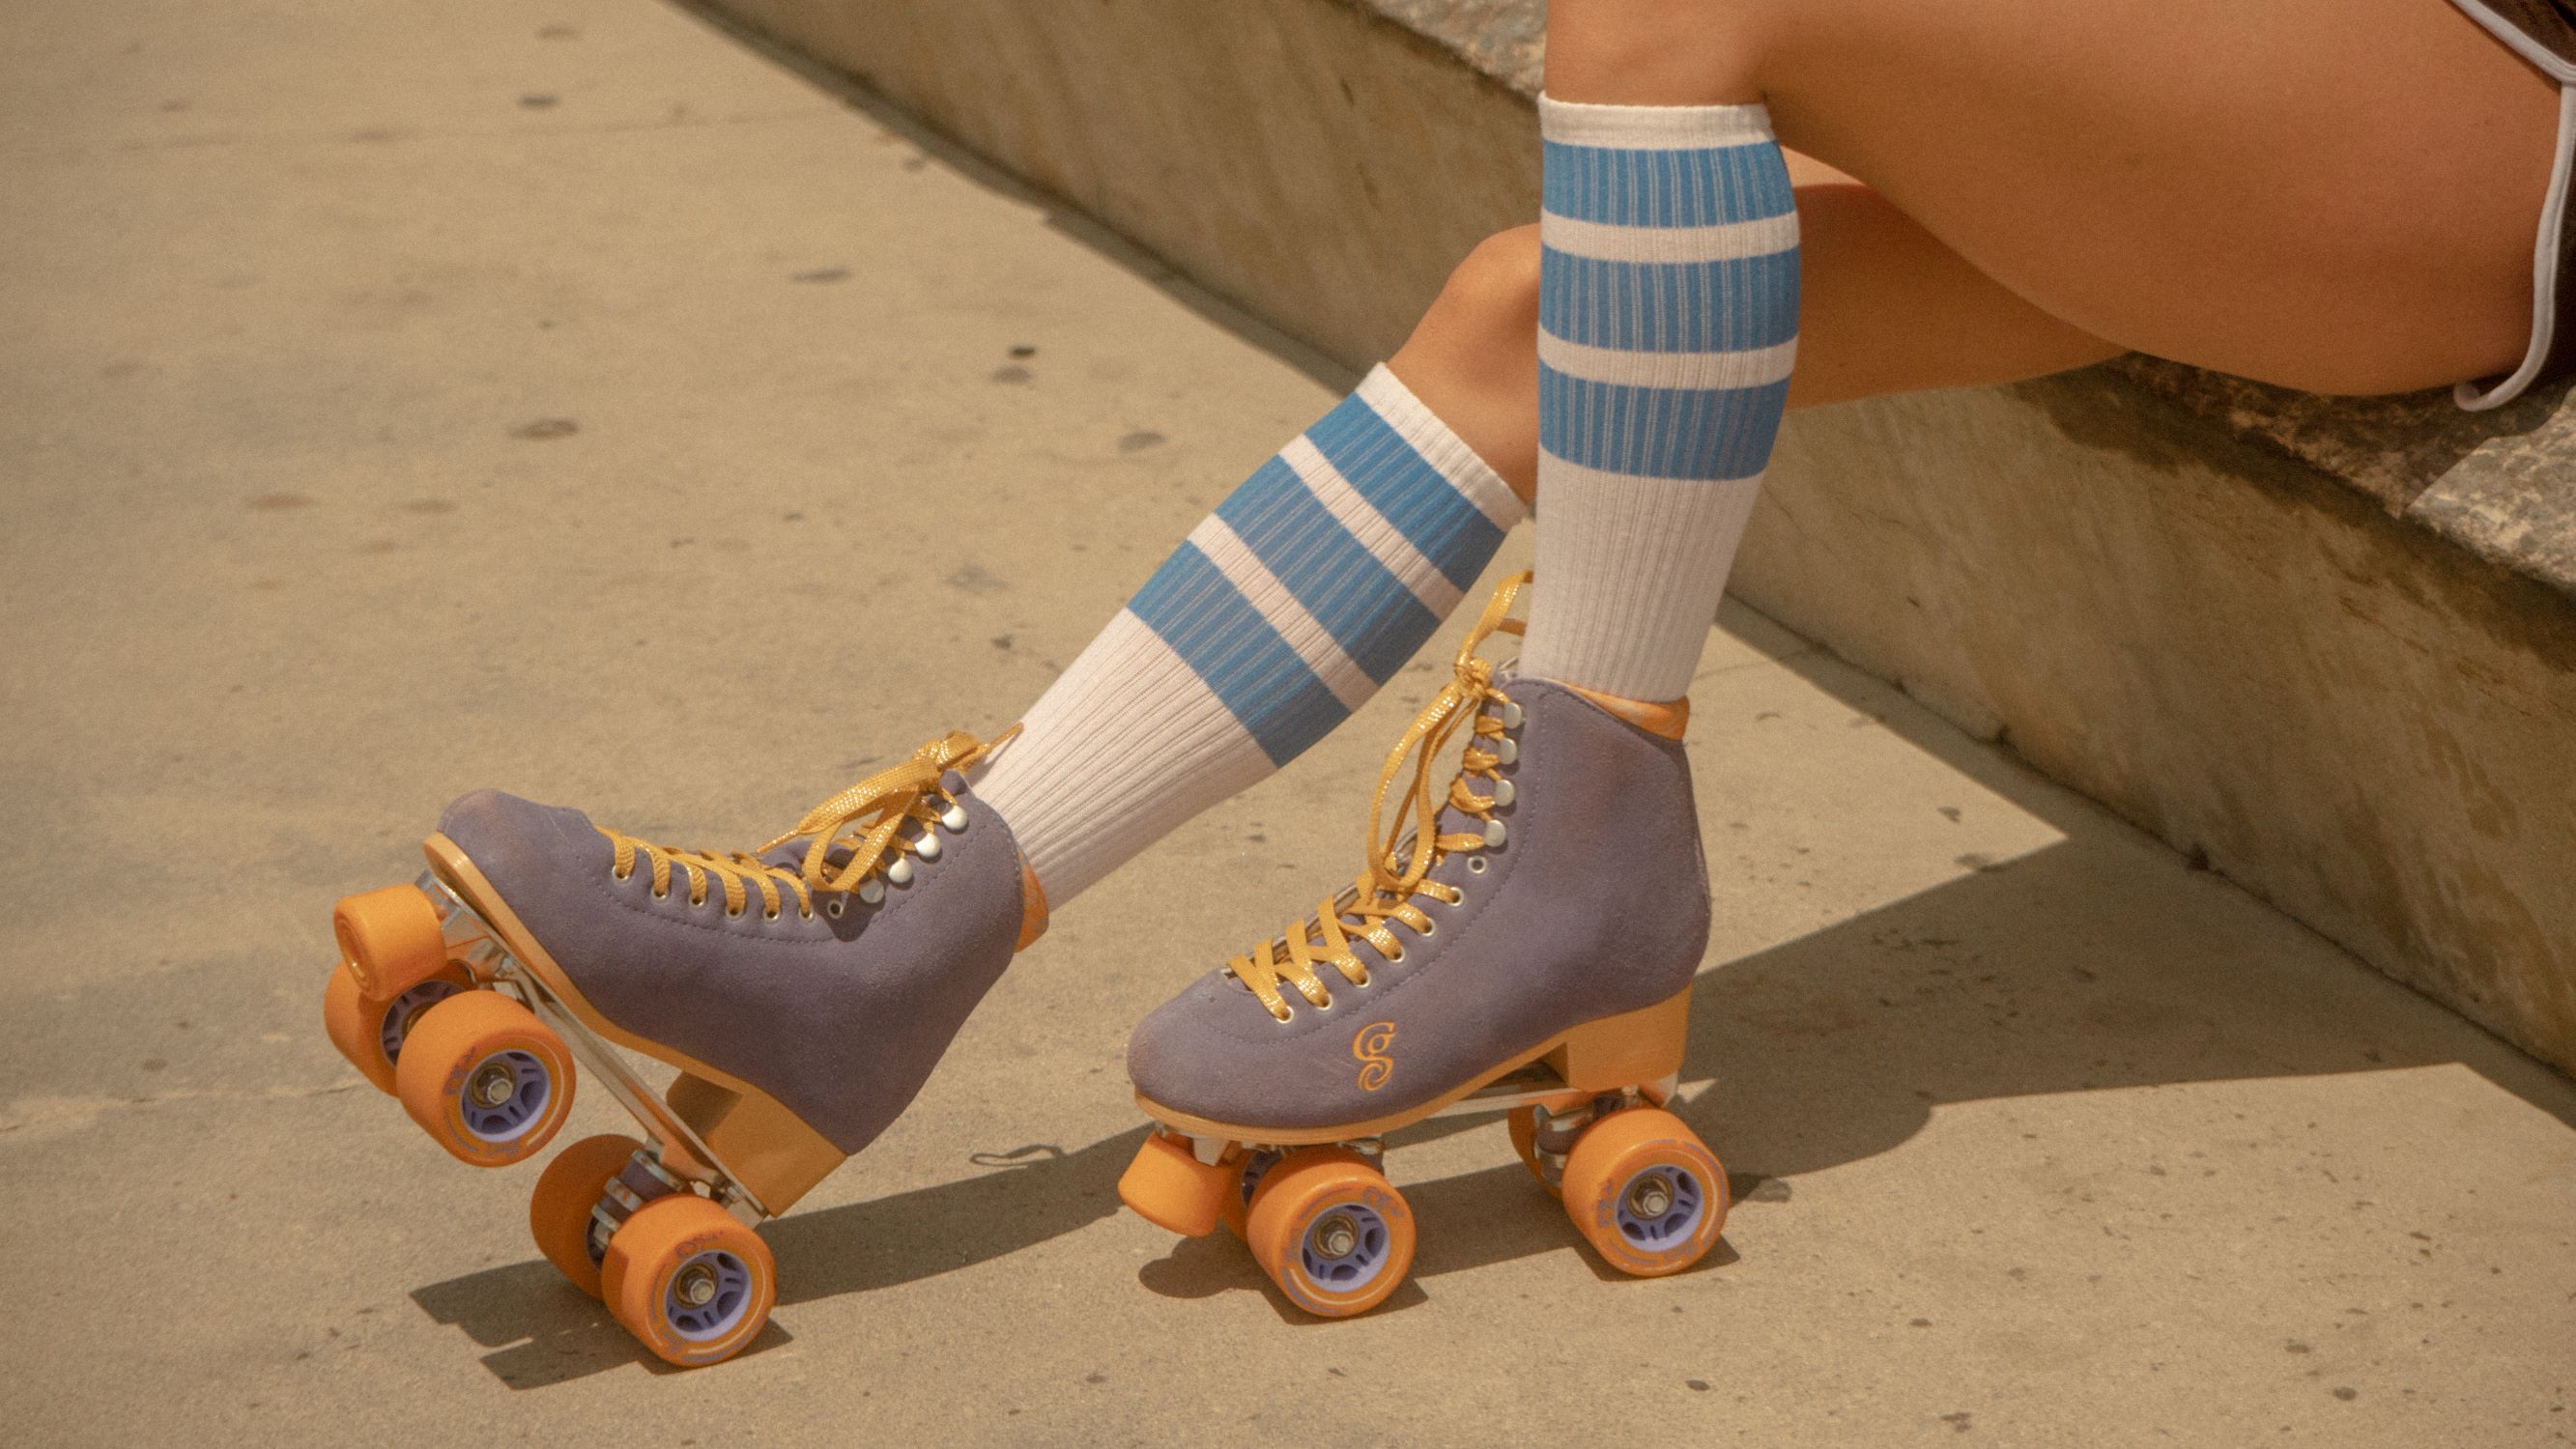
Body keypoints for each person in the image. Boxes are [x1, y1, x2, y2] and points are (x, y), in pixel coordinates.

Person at [337, 0, 2567, 1349]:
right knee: (1532, 311)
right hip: (2293, 98)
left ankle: (1581, 859)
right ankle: (897, 939)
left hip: (2489, 133)